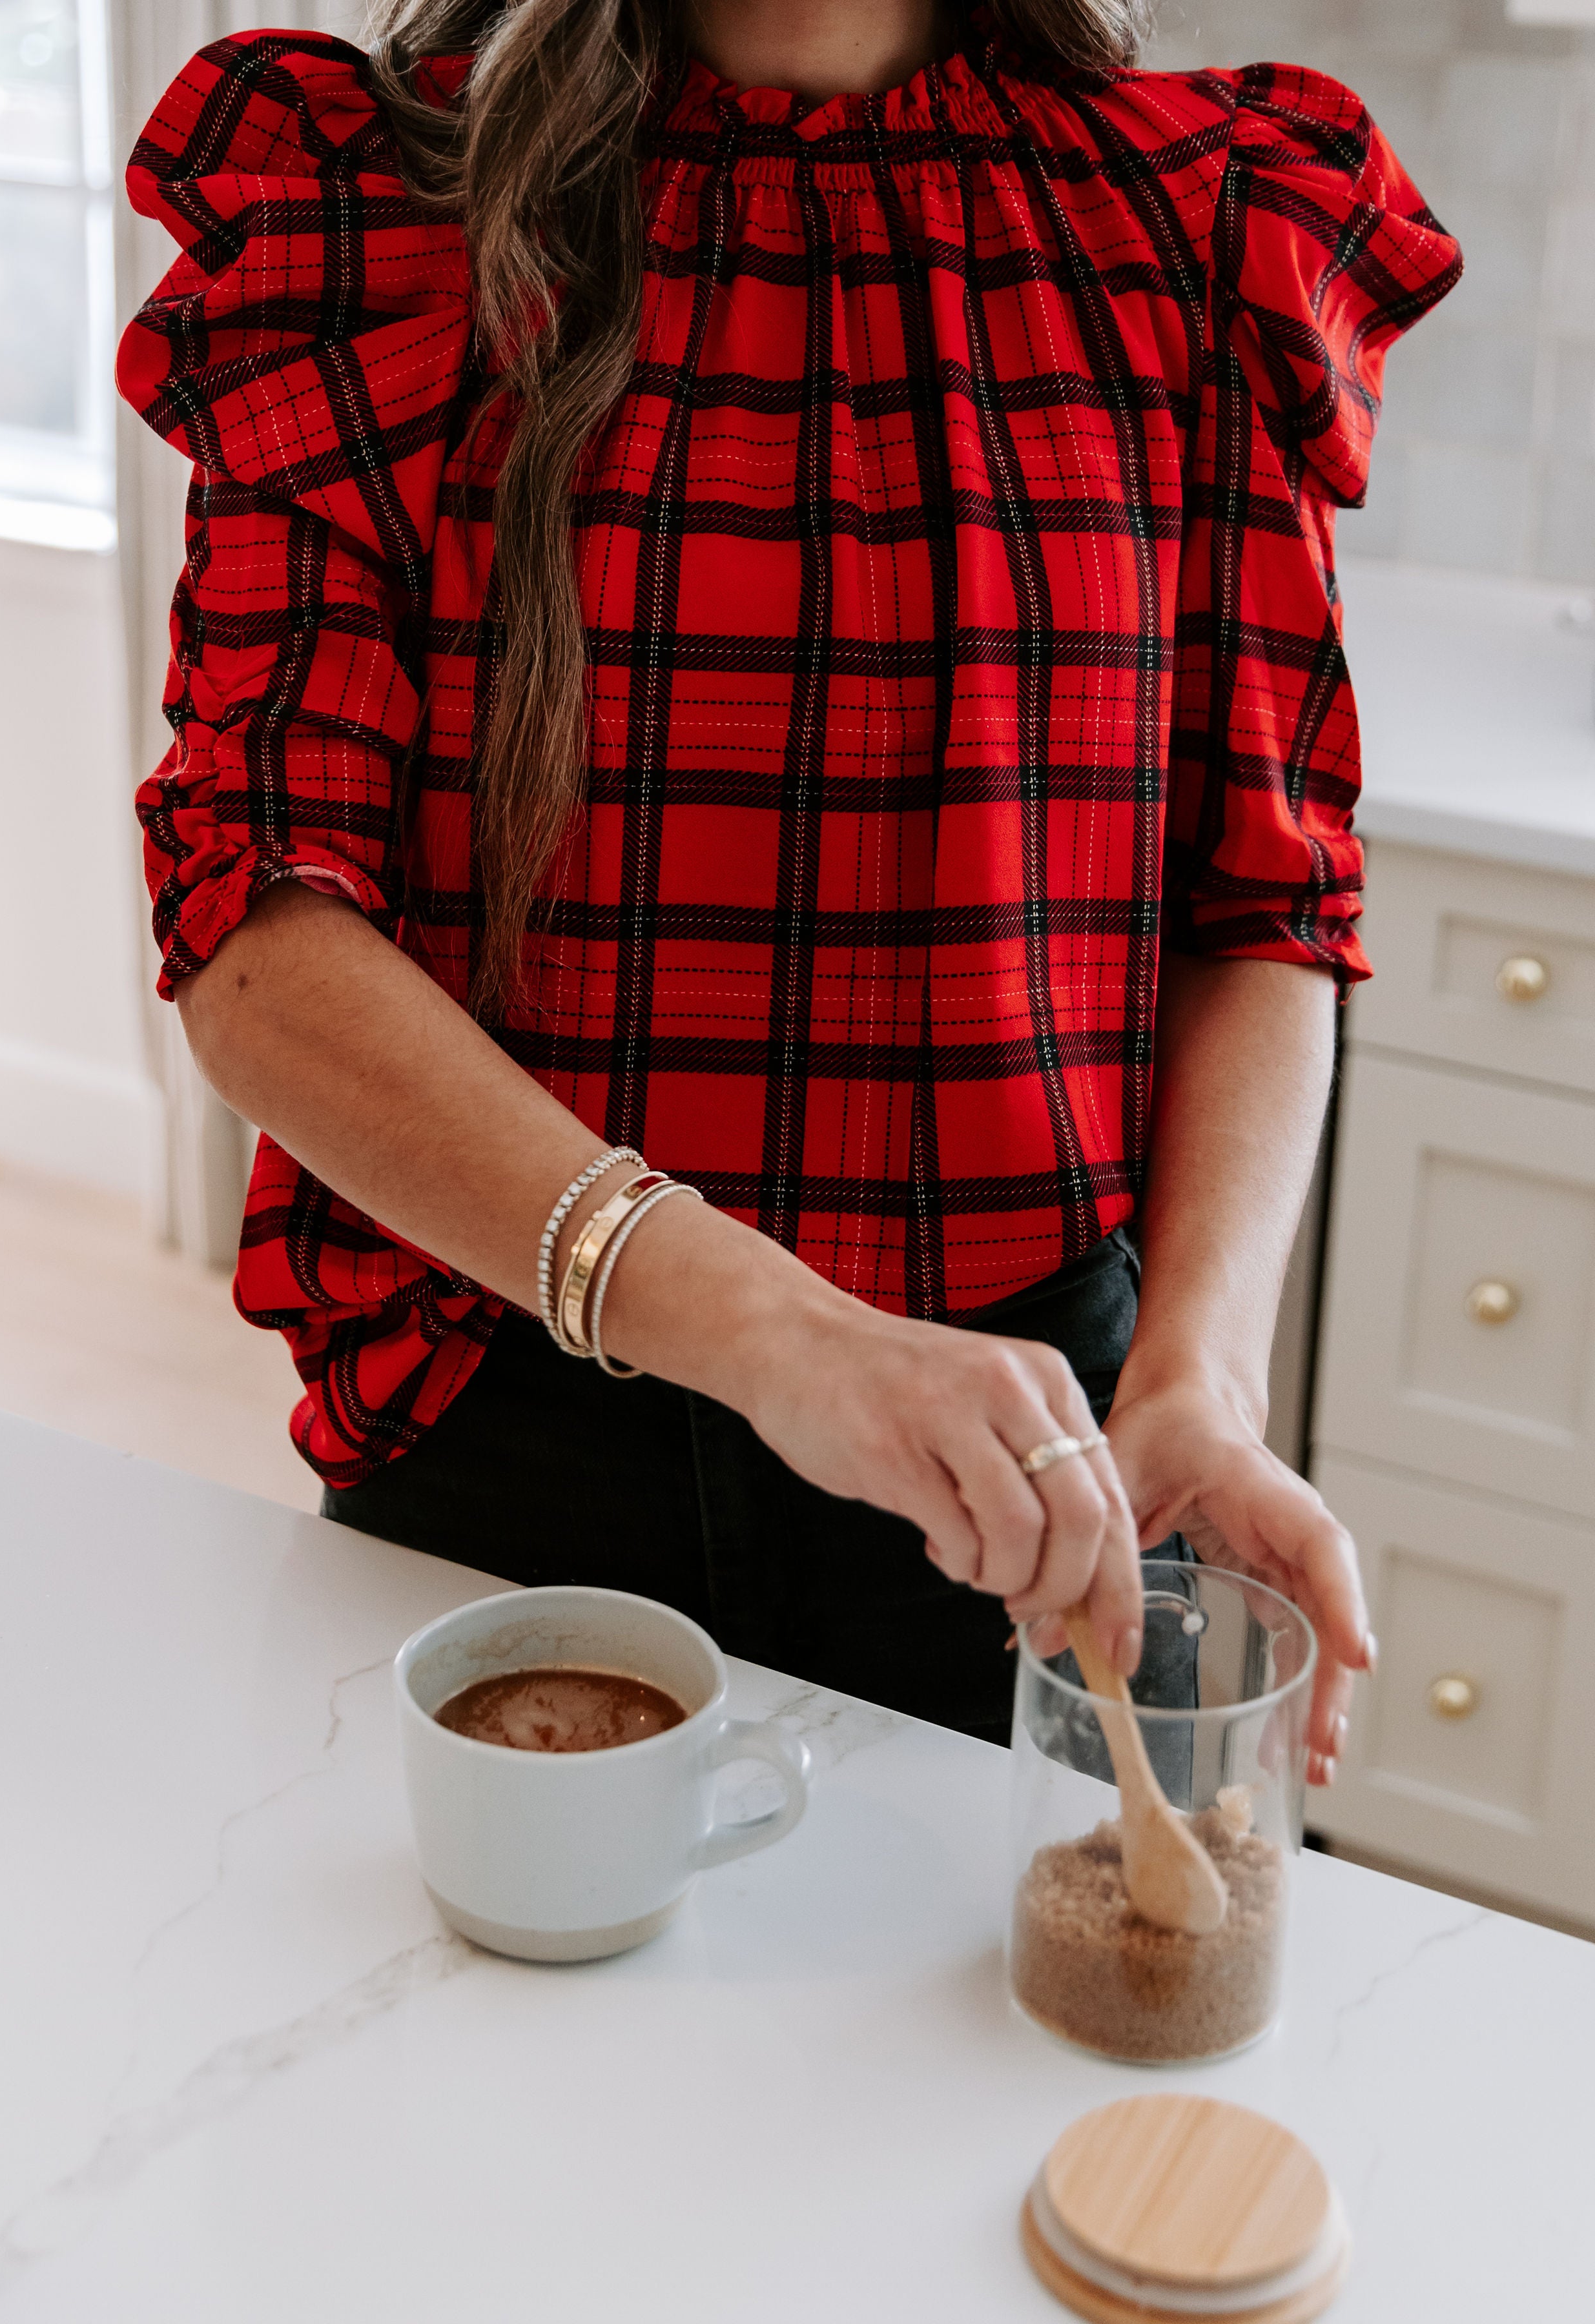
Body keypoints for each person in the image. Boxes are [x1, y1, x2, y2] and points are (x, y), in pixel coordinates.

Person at [117, 1, 1459, 1764]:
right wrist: (786, 1339)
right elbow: (258, 935)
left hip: (1048, 1471)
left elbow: (1262, 900)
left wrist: (1198, 1377)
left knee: (995, 2037)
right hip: (510, 1417)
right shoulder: (374, 204)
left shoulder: (1203, 218)